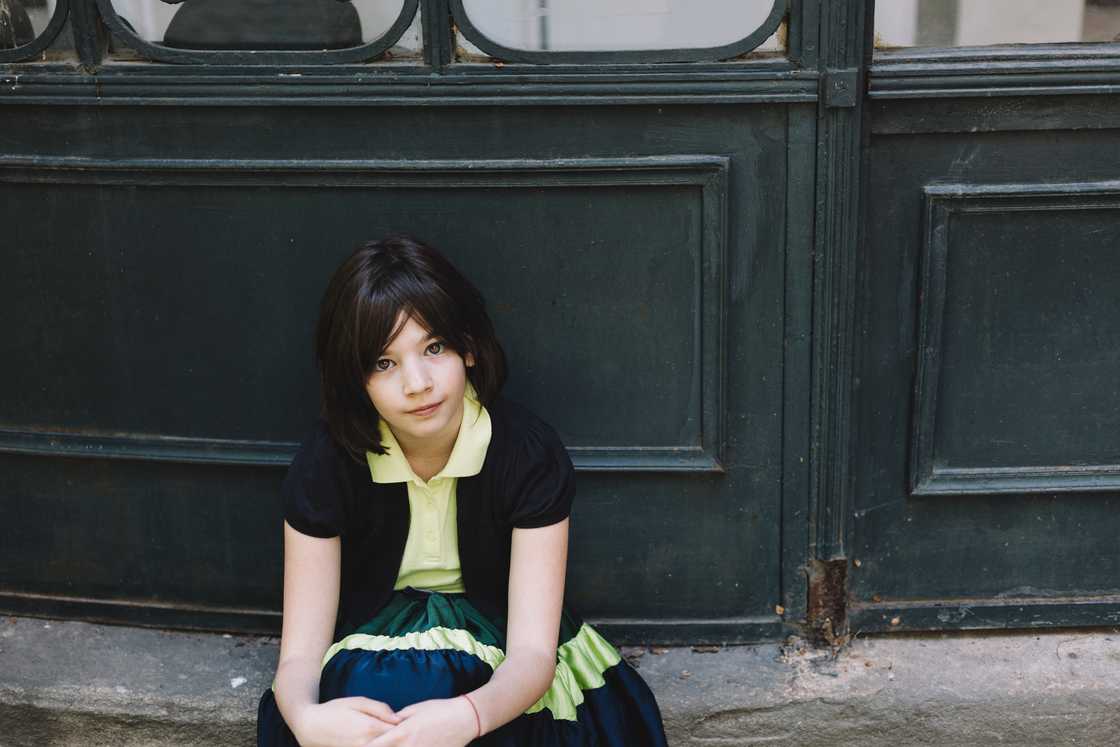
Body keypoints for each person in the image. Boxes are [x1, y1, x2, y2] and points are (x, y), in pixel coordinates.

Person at [256, 236, 668, 746]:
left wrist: (468, 717)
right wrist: (305, 718)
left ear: (468, 347)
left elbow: (533, 656)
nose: (417, 383)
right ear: (354, 379)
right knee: (385, 688)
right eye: (384, 363)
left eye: (434, 348)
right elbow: (298, 657)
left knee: (447, 689)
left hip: (503, 658)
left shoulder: (525, 453)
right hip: (370, 654)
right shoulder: (326, 463)